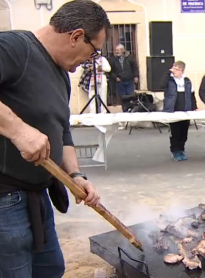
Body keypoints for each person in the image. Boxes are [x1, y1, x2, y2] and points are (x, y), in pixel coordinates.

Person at [0, 0, 109, 277]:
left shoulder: (61, 75)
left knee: (51, 269)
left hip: (38, 197)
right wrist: (17, 130)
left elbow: (62, 130)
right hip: (5, 200)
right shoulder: (15, 47)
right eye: (93, 51)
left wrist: (75, 174)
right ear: (75, 36)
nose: (90, 60)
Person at [160, 61, 198, 161]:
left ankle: (181, 149)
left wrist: (194, 106)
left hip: (185, 110)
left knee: (184, 132)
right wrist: (168, 73)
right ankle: (175, 150)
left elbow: (192, 94)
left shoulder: (187, 81)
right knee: (175, 132)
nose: (174, 71)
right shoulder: (169, 80)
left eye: (177, 69)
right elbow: (161, 85)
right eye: (173, 68)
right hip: (173, 110)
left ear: (182, 71)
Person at [109, 44, 139, 111]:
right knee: (123, 98)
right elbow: (111, 71)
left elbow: (134, 68)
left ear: (122, 50)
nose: (116, 52)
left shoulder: (129, 58)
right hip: (120, 81)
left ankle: (131, 110)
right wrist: (115, 77)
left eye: (118, 50)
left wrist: (136, 76)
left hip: (130, 81)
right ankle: (125, 111)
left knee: (131, 96)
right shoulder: (113, 59)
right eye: (116, 50)